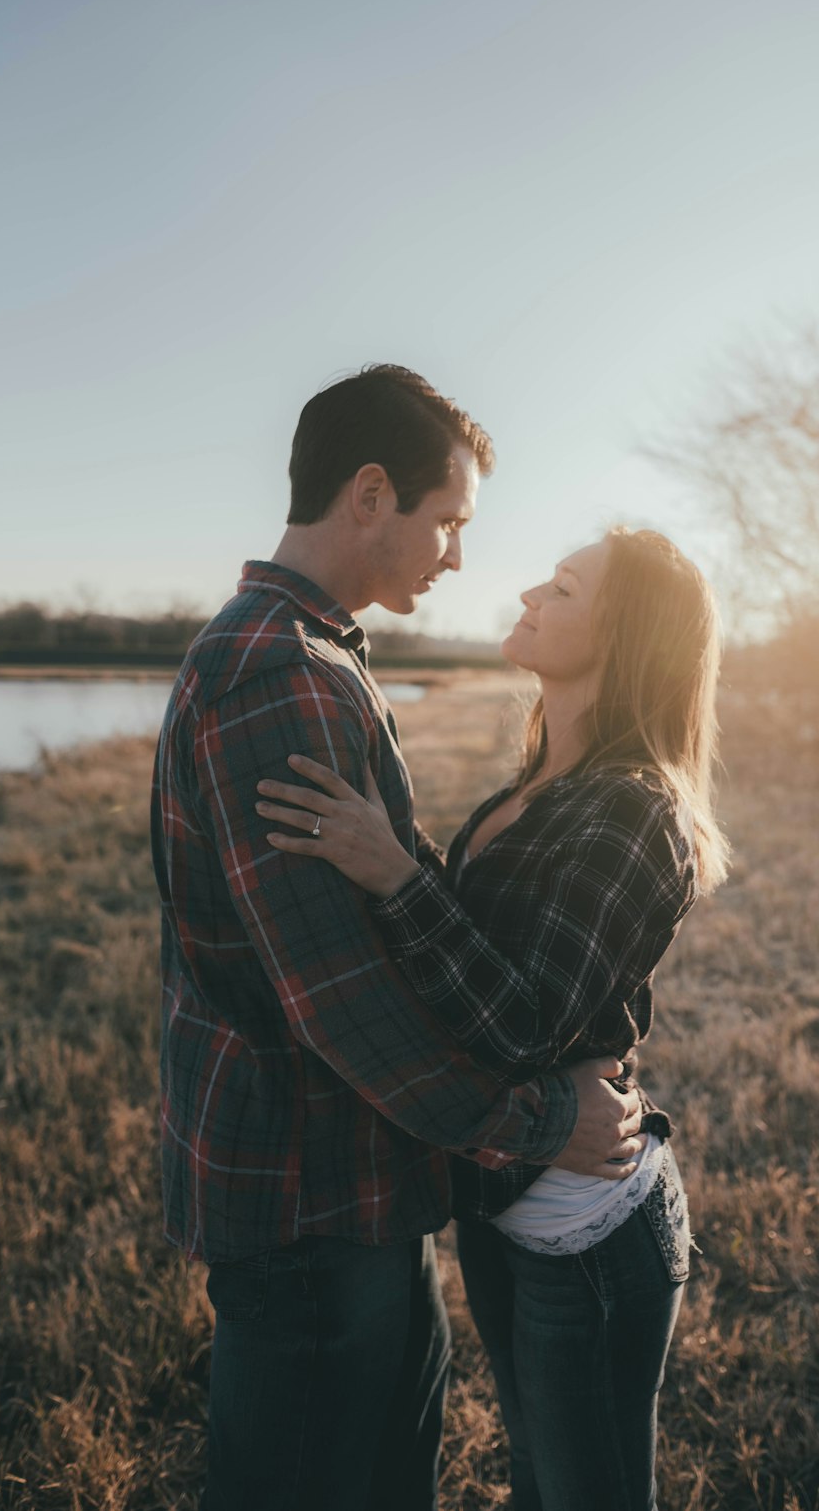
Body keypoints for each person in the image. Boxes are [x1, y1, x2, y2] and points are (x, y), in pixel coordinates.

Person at [149, 365, 647, 1511]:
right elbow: (345, 1009)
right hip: (312, 1203)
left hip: (341, 1189)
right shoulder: (280, 679)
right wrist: (539, 1124)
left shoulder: (306, 653)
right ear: (371, 494)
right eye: (450, 521)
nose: (459, 556)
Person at [254, 524, 730, 1511]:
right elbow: (471, 951)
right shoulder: (542, 786)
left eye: (562, 588)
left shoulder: (634, 812)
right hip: (509, 1200)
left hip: (589, 1225)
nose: (527, 595)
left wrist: (394, 871)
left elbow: (520, 1023)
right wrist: (401, 862)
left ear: (627, 632)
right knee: (540, 1482)